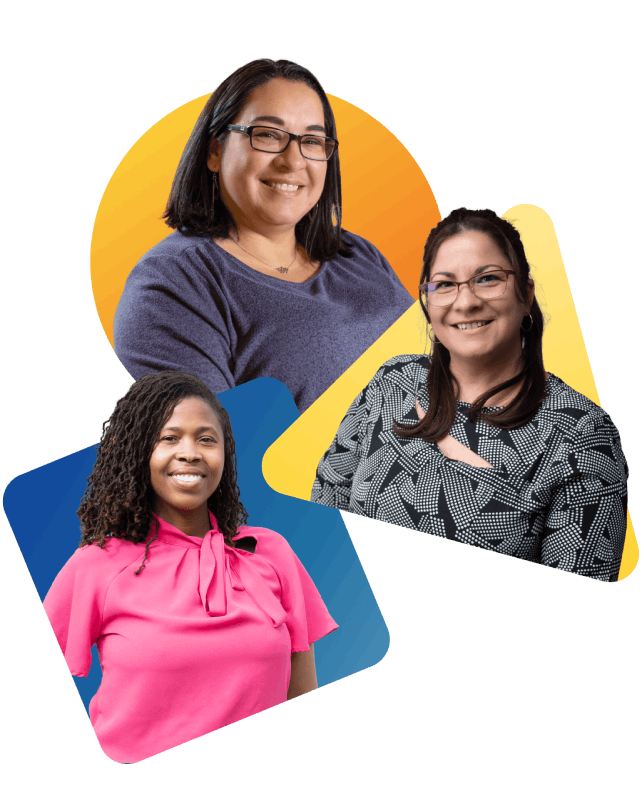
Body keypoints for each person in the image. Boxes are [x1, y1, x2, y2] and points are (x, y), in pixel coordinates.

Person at [311, 207, 628, 582]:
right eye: (445, 284)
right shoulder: (392, 381)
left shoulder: (584, 437)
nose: (466, 302)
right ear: (427, 303)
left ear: (526, 294)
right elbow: (326, 506)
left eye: (488, 279)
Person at [43, 371, 338, 763]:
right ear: (137, 451)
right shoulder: (97, 565)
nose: (190, 453)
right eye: (169, 438)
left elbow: (302, 689)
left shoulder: (271, 551)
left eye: (206, 439)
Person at [113, 58, 414, 413]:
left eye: (313, 141)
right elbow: (229, 452)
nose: (293, 161)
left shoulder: (358, 254)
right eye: (269, 135)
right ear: (215, 150)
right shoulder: (173, 286)